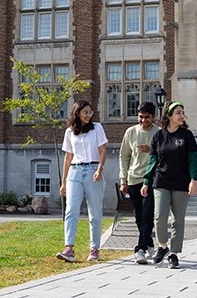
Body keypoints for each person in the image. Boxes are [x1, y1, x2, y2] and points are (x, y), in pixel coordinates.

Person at [141, 101, 197, 269]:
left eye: (183, 112)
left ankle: (173, 253)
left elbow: (193, 158)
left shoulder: (187, 136)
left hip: (181, 182)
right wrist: (146, 181)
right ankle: (162, 246)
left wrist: (194, 179)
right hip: (161, 180)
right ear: (168, 116)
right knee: (159, 216)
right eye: (178, 113)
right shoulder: (158, 136)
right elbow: (152, 161)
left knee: (178, 220)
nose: (182, 116)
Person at [56, 99, 108, 263]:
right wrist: (64, 182)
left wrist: (100, 169)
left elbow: (103, 150)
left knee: (95, 212)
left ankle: (94, 249)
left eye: (90, 112)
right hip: (75, 172)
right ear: (77, 113)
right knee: (71, 210)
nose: (88, 115)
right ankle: (69, 248)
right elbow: (67, 157)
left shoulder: (97, 128)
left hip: (93, 170)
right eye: (85, 112)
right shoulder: (70, 132)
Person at [119, 101, 161, 264]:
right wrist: (123, 180)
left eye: (147, 117)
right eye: (141, 117)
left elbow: (164, 154)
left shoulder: (159, 133)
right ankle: (150, 244)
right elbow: (124, 156)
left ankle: (140, 249)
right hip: (133, 178)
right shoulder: (131, 132)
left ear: (154, 117)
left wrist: (151, 150)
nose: (143, 120)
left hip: (151, 179)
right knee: (138, 216)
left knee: (147, 215)